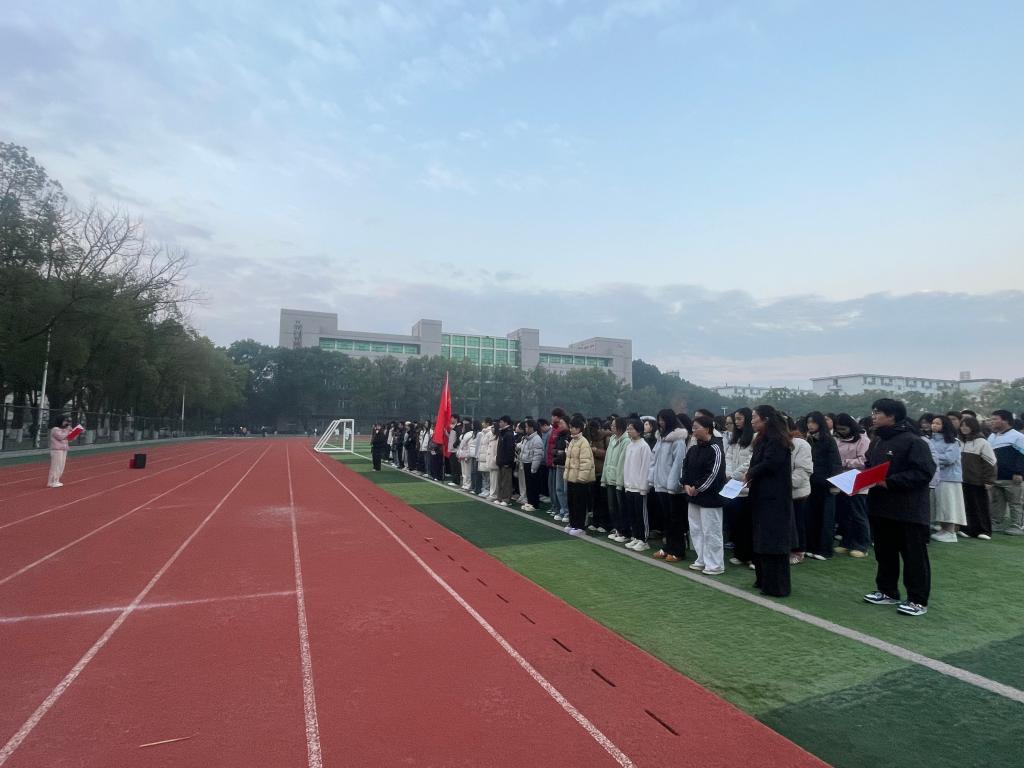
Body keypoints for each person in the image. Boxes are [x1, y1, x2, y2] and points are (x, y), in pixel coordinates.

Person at [862, 398, 937, 617]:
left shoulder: (914, 441)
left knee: (914, 557)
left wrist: (890, 482)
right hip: (881, 507)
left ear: (892, 416)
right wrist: (862, 478)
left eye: (878, 412)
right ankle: (887, 591)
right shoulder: (877, 440)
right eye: (873, 412)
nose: (874, 416)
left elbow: (924, 472)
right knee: (884, 553)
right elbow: (870, 465)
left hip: (908, 510)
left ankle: (917, 600)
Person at [745, 405, 797, 597]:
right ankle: (763, 580)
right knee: (761, 539)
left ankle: (777, 586)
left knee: (773, 541)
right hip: (761, 495)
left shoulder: (777, 440)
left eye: (755, 417)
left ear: (766, 419)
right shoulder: (761, 438)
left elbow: (771, 463)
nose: (752, 421)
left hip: (774, 498)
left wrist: (751, 473)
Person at [683, 415, 728, 575]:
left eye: (696, 427)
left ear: (707, 429)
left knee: (711, 530)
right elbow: (685, 467)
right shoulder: (693, 449)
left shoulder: (715, 448)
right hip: (693, 496)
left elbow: (714, 473)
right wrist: (685, 484)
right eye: (693, 427)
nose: (693, 430)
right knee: (696, 529)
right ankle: (701, 559)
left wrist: (698, 487)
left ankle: (715, 564)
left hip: (711, 497)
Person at [649, 409, 689, 562]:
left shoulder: (678, 440)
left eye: (663, 420)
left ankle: (678, 551)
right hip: (660, 484)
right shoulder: (660, 438)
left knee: (675, 520)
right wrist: (652, 478)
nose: (661, 423)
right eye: (659, 419)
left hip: (672, 488)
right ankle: (668, 548)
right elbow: (654, 460)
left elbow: (678, 464)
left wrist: (673, 485)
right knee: (666, 519)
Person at [804, 411, 842, 560]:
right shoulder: (808, 439)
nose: (810, 425)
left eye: (813, 422)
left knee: (826, 518)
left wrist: (834, 484)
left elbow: (835, 462)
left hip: (826, 485)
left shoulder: (828, 440)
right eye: (808, 422)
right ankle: (812, 546)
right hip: (811, 483)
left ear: (820, 423)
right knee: (811, 516)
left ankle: (825, 550)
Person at [833, 413, 871, 558]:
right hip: (841, 479)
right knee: (845, 515)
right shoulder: (836, 439)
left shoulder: (863, 440)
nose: (841, 432)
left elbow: (864, 461)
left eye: (844, 429)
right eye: (839, 429)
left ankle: (862, 545)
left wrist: (844, 462)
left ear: (851, 427)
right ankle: (846, 543)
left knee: (858, 514)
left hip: (858, 479)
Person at [928, 415, 966, 543]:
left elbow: (949, 459)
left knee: (949, 506)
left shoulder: (953, 441)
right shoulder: (931, 440)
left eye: (938, 423)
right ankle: (944, 529)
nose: (934, 425)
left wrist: (932, 458)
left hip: (949, 478)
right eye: (933, 423)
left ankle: (950, 532)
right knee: (940, 505)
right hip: (936, 478)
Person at [725, 408, 755, 566]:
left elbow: (750, 461)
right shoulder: (735, 439)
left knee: (748, 523)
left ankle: (751, 556)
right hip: (733, 487)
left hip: (747, 487)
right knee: (736, 522)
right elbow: (728, 457)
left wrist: (735, 474)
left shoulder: (754, 438)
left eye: (739, 419)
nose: (736, 422)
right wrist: (729, 473)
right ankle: (740, 553)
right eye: (735, 419)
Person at [987, 410, 1024, 535]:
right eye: (991, 419)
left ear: (1006, 420)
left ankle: (1017, 525)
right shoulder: (992, 436)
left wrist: (1019, 472)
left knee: (1015, 502)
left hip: (1012, 477)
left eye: (995, 419)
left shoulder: (1018, 436)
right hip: (996, 476)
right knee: (997, 502)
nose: (991, 422)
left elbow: (1022, 456)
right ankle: (996, 523)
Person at [959, 415, 996, 539]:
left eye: (967, 426)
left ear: (973, 426)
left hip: (978, 481)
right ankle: (968, 530)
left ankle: (984, 531)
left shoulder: (982, 442)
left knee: (980, 507)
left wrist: (989, 480)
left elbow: (991, 462)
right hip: (963, 480)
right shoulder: (959, 441)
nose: (964, 428)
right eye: (962, 426)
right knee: (967, 506)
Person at [622, 418, 654, 551]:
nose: (629, 431)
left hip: (640, 488)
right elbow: (627, 466)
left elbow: (646, 468)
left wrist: (643, 487)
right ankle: (636, 536)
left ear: (639, 430)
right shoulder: (630, 445)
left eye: (631, 429)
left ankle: (643, 540)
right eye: (628, 429)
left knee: (641, 514)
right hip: (630, 486)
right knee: (633, 514)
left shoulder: (643, 446)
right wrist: (626, 484)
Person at [564, 415, 595, 536]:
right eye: (570, 427)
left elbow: (586, 462)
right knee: (571, 502)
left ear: (579, 428)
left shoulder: (583, 442)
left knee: (579, 503)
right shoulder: (573, 441)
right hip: (571, 478)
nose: (571, 429)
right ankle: (573, 523)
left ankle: (580, 526)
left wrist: (581, 478)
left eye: (573, 427)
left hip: (580, 480)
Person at [788, 416, 813, 565]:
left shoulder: (801, 444)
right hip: (781, 491)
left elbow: (803, 470)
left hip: (796, 491)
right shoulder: (775, 442)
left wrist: (785, 484)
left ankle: (799, 550)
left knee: (798, 521)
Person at [601, 417, 629, 542]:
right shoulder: (612, 439)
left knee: (621, 507)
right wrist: (604, 478)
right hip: (610, 477)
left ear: (620, 427)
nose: (611, 427)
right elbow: (607, 460)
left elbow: (622, 463)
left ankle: (624, 532)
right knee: (612, 507)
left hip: (619, 480)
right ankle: (617, 529)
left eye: (613, 425)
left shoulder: (626, 441)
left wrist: (619, 482)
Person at [519, 419, 544, 511]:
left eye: (526, 427)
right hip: (526, 463)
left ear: (531, 428)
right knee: (528, 485)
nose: (525, 429)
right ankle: (530, 502)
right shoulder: (527, 438)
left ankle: (534, 504)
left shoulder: (536, 439)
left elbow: (537, 455)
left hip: (532, 465)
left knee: (534, 485)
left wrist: (534, 468)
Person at [494, 416, 516, 506]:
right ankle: (499, 498)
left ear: (506, 422)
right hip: (500, 461)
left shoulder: (509, 434)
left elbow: (510, 450)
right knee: (500, 481)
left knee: (506, 482)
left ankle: (506, 499)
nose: (499, 423)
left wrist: (508, 462)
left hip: (506, 462)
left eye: (501, 422)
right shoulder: (502, 433)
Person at [47, 415, 73, 488]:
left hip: (63, 449)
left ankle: (56, 480)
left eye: (67, 421)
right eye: (65, 421)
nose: (66, 423)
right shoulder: (55, 429)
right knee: (56, 466)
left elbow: (70, 438)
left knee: (61, 466)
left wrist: (74, 432)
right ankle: (52, 482)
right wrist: (67, 430)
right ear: (60, 421)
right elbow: (60, 437)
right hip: (57, 450)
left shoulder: (64, 429)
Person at [457, 420, 477, 490]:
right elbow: (461, 445)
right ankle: (465, 483)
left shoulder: (470, 435)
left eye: (463, 426)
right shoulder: (463, 435)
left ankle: (468, 484)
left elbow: (470, 446)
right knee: (464, 471)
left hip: (467, 455)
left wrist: (467, 456)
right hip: (462, 454)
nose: (462, 428)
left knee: (467, 471)